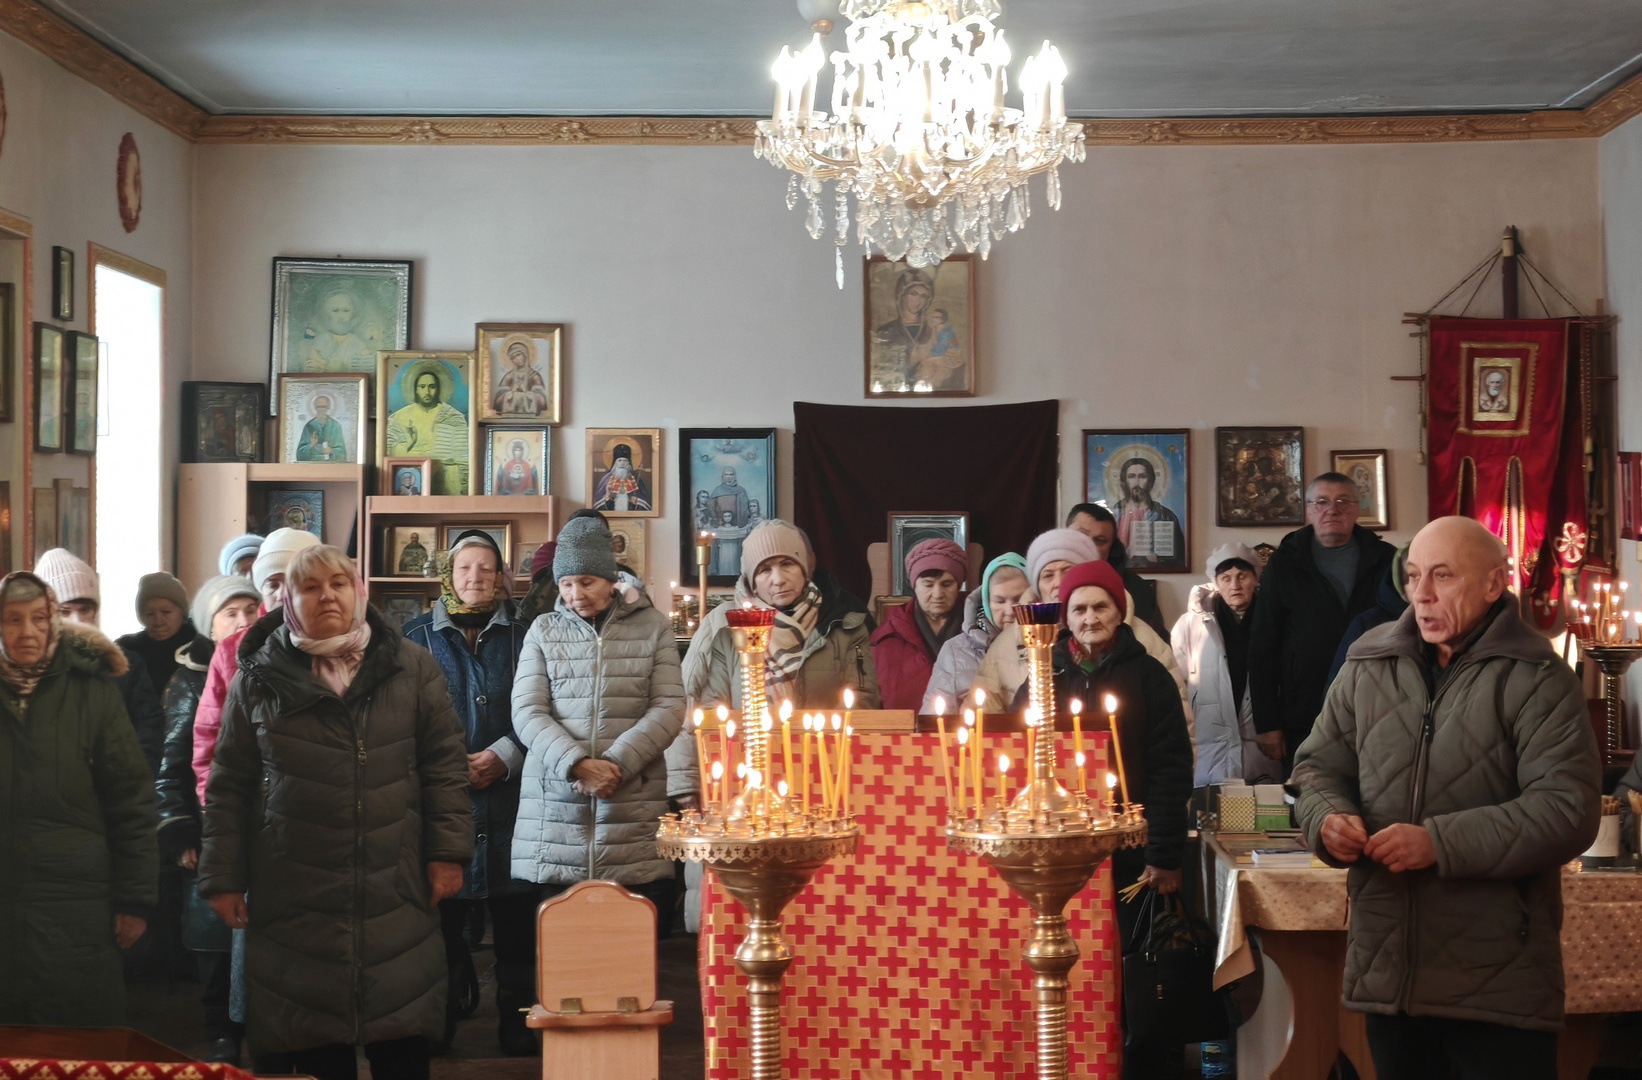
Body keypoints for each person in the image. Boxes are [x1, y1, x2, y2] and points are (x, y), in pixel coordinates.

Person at [1291, 517, 1600, 1079]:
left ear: (1492, 584)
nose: (1422, 594)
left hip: (1497, 982)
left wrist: (1439, 843)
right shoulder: (1369, 663)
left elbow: (1567, 810)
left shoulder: (1538, 677)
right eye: (1413, 576)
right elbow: (1315, 768)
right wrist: (1327, 819)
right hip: (1391, 975)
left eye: (1443, 575)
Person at [199, 544, 472, 1079]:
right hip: (295, 888)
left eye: (338, 584)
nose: (326, 596)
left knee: (402, 1036)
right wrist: (223, 877)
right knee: (318, 1042)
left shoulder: (411, 665)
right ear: (288, 602)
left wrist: (448, 852)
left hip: (395, 879)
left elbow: (444, 765)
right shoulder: (258, 677)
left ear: (359, 592)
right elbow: (229, 783)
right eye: (310, 587)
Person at [1026, 559, 1192, 1079]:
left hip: (1130, 856)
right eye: (1079, 608)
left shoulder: (1150, 678)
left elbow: (1171, 771)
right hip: (1059, 857)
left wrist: (1164, 854)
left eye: (1101, 606)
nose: (1089, 618)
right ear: (1065, 617)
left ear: (1120, 612)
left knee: (1128, 974)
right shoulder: (1045, 675)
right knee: (1064, 968)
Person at [0, 571, 159, 1027]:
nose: (27, 632)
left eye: (38, 618)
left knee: (78, 1039)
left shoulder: (93, 692)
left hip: (79, 903)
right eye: (13, 619)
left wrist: (135, 899)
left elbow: (131, 800)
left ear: (53, 622)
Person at [510, 516, 683, 925]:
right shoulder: (543, 630)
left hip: (631, 807)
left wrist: (616, 765)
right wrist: (577, 764)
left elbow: (670, 706)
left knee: (631, 941)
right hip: (555, 812)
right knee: (561, 944)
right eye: (566, 584)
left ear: (610, 578)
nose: (576, 594)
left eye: (587, 582)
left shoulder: (653, 627)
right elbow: (527, 711)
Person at [400, 531, 535, 1056]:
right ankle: (441, 1020)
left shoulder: (528, 634)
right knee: (442, 925)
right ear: (447, 574)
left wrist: (506, 753)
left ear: (501, 576)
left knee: (517, 923)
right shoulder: (413, 637)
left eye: (486, 567)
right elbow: (400, 716)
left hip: (515, 800)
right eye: (464, 567)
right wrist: (446, 762)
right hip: (441, 803)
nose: (474, 577)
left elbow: (549, 705)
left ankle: (518, 1022)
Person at [675, 519, 880, 799]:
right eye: (764, 570)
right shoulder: (727, 631)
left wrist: (815, 763)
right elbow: (709, 711)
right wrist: (689, 784)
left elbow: (862, 707)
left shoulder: (845, 624)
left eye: (787, 564)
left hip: (828, 778)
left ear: (805, 568)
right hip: (746, 779)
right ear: (751, 581)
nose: (778, 579)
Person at [154, 574, 260, 1064]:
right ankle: (221, 1030)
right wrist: (180, 831)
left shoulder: (271, 665)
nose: (243, 621)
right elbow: (172, 765)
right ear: (209, 624)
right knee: (215, 935)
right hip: (208, 827)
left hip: (262, 826)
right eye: (230, 613)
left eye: (250, 610)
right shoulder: (190, 680)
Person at [1248, 472, 1397, 772]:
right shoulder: (1285, 563)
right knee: (1305, 794)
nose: (1332, 510)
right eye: (1322, 502)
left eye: (1343, 501)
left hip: (1375, 707)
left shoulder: (1387, 560)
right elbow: (1263, 642)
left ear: (1357, 509)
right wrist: (1267, 723)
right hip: (1302, 712)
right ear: (1308, 510)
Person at [969, 528, 1186, 715]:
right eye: (1048, 575)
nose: (1058, 583)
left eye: (1068, 571)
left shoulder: (1144, 639)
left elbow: (1177, 727)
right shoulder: (1005, 647)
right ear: (1037, 587)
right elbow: (985, 725)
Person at [191, 528, 323, 807]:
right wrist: (214, 808)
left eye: (295, 581)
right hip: (257, 806)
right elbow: (209, 738)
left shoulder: (340, 644)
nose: (282, 594)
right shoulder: (232, 651)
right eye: (272, 584)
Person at [34, 547, 165, 774]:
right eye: (64, 611)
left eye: (85, 609)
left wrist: (125, 784)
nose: (77, 620)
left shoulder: (126, 666)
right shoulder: (24, 669)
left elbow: (149, 736)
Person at [1171, 544, 1281, 787]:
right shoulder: (1190, 625)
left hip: (1261, 746)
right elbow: (1178, 688)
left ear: (1256, 578)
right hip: (1210, 748)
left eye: (1242, 576)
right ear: (1216, 583)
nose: (1235, 585)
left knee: (1264, 807)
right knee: (1212, 808)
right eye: (1226, 578)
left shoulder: (1274, 620)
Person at [923, 553, 1027, 713]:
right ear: (986, 602)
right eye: (1000, 601)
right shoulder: (955, 651)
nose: (1009, 611)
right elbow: (933, 718)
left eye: (1018, 600)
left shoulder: (1049, 646)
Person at [872, 538, 967, 710]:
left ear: (959, 586)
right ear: (914, 586)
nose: (937, 594)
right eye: (928, 585)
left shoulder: (977, 632)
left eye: (947, 584)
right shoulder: (886, 639)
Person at [1065, 503, 1168, 637]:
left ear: (1111, 549)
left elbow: (1156, 644)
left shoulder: (1136, 590)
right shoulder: (1047, 581)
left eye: (1100, 541)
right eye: (1081, 536)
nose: (1088, 546)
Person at [1326, 544, 1411, 684]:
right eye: (1413, 576)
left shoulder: (1447, 624)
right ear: (1399, 581)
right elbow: (1337, 686)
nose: (1424, 586)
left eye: (1440, 575)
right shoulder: (1367, 623)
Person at [386, 365, 469, 493]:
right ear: (415, 389)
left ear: (439, 389)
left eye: (432, 386)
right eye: (422, 386)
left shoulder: (452, 417)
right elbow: (389, 454)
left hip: (447, 483)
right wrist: (409, 444)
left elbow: (463, 458)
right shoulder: (399, 417)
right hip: (411, 480)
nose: (427, 392)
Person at [117, 572, 197, 697]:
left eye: (166, 612)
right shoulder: (128, 651)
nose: (158, 622)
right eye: (150, 614)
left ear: (182, 613)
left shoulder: (199, 647)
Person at [1111, 458, 1186, 571]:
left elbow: (1179, 559)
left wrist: (1159, 558)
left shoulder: (1165, 516)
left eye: (1142, 477)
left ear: (1150, 481)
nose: (1137, 483)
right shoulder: (1112, 515)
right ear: (1124, 481)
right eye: (1131, 476)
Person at [300, 289, 377, 373]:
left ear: (353, 313)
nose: (341, 316)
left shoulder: (357, 342)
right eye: (335, 310)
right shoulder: (323, 339)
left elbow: (365, 364)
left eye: (346, 310)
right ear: (327, 313)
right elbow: (313, 360)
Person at [490, 336, 550, 416]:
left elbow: (542, 400)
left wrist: (528, 393)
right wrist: (510, 392)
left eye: (518, 355)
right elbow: (498, 400)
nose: (517, 359)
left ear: (525, 354)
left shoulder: (534, 376)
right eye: (513, 357)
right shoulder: (509, 376)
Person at [591, 443, 652, 513]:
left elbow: (646, 503)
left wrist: (637, 501)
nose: (622, 463)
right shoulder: (606, 479)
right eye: (619, 460)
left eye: (625, 460)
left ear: (629, 463)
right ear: (615, 463)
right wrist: (607, 496)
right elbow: (597, 505)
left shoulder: (637, 478)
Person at [294, 394, 347, 462]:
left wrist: (331, 450)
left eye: (324, 407)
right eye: (319, 407)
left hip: (332, 466)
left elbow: (341, 452)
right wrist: (311, 445)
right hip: (312, 465)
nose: (321, 409)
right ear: (315, 408)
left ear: (328, 408)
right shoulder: (309, 426)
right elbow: (300, 453)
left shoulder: (335, 426)